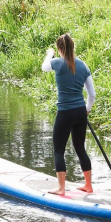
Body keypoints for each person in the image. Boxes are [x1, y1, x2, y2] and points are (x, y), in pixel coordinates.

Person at [41, 33, 95, 195]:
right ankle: (88, 185)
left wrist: (49, 54)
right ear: (73, 47)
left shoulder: (57, 63)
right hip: (80, 112)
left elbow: (44, 67)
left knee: (59, 150)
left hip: (65, 112)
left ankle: (61, 188)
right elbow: (92, 94)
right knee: (80, 148)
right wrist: (87, 109)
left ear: (60, 49)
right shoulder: (83, 66)